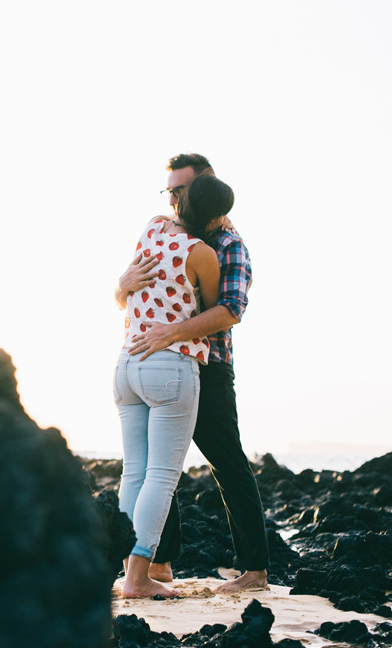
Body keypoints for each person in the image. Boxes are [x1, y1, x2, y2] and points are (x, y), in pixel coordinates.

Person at [118, 153, 269, 594]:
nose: (174, 200)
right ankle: (158, 563)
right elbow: (129, 300)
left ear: (205, 188)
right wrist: (121, 284)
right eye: (170, 191)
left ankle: (254, 570)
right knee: (158, 467)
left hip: (210, 368)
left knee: (227, 464)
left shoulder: (228, 244)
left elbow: (230, 311)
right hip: (162, 363)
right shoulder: (163, 232)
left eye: (181, 191)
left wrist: (172, 333)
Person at [112, 174, 232, 598]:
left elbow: (129, 289)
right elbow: (214, 310)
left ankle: (124, 570)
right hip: (170, 365)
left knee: (133, 472)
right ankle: (138, 579)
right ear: (214, 216)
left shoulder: (152, 227)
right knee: (161, 477)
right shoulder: (202, 254)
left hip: (127, 362)